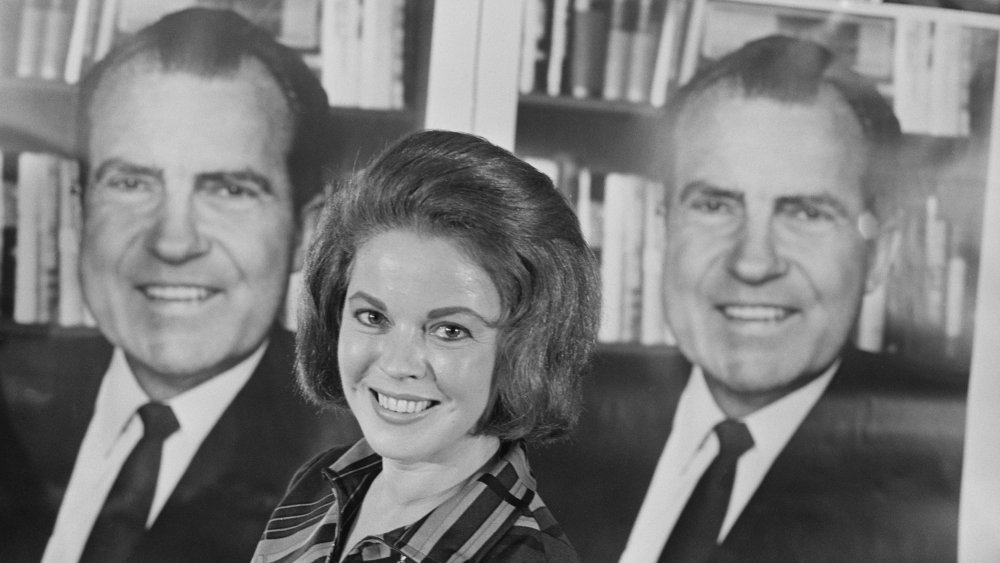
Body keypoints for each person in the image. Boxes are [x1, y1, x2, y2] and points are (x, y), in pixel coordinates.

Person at [532, 35, 966, 562]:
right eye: (716, 205)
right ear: (665, 226)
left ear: (880, 254)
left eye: (805, 212)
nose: (752, 263)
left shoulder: (949, 485)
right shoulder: (552, 421)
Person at [0, 8, 359, 562]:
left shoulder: (357, 476)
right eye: (131, 182)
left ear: (303, 234)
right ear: (81, 209)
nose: (173, 242)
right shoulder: (14, 398)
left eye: (230, 190)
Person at [251, 129, 602, 562]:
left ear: (527, 348)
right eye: (373, 317)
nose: (399, 365)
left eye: (449, 331)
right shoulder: (318, 485)